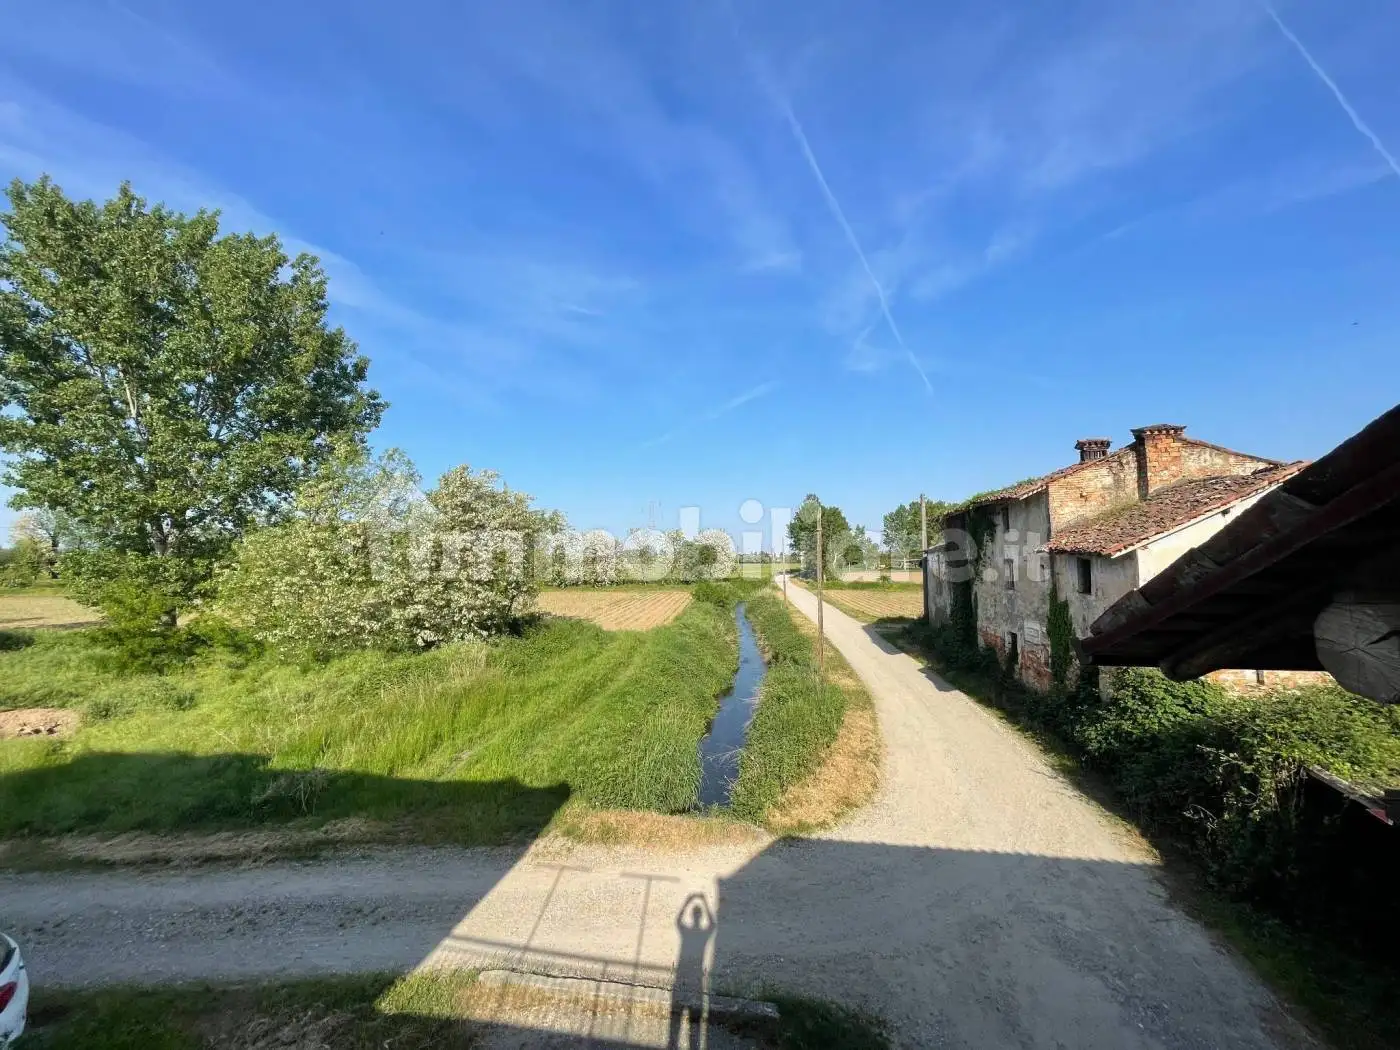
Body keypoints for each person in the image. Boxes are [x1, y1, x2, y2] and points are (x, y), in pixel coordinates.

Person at [668, 892, 716, 1048]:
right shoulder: (703, 935)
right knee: (696, 1023)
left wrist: (687, 902)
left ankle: (672, 1044)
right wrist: (706, 904)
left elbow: (677, 921)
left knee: (674, 1024)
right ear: (700, 918)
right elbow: (712, 924)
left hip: (680, 976)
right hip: (697, 980)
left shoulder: (687, 933)